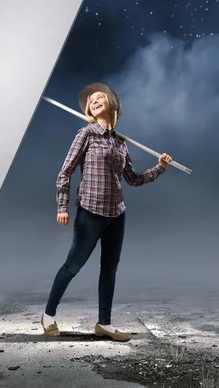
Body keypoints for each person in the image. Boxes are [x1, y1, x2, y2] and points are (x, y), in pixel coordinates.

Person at [41, 82, 172, 342]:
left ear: (112, 103)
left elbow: (133, 179)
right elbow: (65, 172)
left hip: (117, 215)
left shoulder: (122, 143)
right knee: (72, 266)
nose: (94, 100)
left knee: (109, 270)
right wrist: (62, 207)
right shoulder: (85, 134)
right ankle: (47, 315)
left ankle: (104, 323)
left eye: (100, 97)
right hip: (90, 212)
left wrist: (160, 168)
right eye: (91, 100)